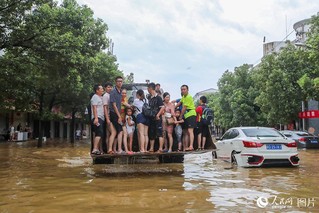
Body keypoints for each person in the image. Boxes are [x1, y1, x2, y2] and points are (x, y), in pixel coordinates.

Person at [175, 84, 197, 151]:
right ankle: (186, 147)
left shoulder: (188, 97)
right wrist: (173, 108)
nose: (183, 91)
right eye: (182, 89)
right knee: (186, 132)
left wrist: (181, 116)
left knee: (190, 131)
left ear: (187, 90)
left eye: (184, 89)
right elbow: (179, 103)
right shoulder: (183, 97)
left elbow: (184, 108)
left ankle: (191, 146)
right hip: (186, 115)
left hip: (191, 114)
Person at [147, 82, 165, 152]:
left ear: (150, 88)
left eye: (148, 88)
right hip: (151, 118)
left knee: (159, 133)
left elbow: (162, 107)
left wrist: (158, 115)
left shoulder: (158, 97)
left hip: (157, 118)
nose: (148, 90)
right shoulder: (149, 98)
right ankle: (151, 148)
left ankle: (160, 148)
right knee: (152, 133)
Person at [90, 84, 105, 155]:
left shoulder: (101, 97)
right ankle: (95, 148)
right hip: (97, 117)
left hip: (101, 118)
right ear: (97, 90)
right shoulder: (95, 97)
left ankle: (98, 149)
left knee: (100, 133)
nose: (103, 90)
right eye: (101, 89)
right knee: (99, 132)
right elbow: (94, 107)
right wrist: (96, 118)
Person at [103, 82, 116, 154]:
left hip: (108, 116)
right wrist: (107, 118)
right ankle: (110, 149)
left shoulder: (110, 95)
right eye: (108, 87)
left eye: (111, 87)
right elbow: (105, 107)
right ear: (105, 88)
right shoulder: (106, 96)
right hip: (108, 116)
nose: (110, 88)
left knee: (108, 134)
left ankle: (108, 149)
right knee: (114, 132)